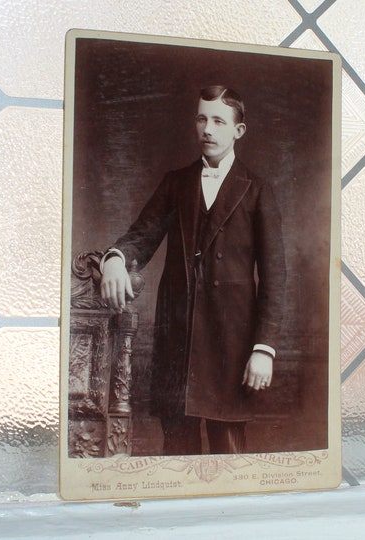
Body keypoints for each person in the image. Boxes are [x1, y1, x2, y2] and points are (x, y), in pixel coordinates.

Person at [100, 85, 286, 455]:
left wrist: (264, 349)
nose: (208, 129)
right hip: (178, 345)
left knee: (228, 458)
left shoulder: (258, 191)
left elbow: (275, 278)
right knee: (177, 455)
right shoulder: (176, 183)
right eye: (202, 118)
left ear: (238, 130)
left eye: (219, 120)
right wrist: (116, 259)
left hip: (230, 348)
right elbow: (141, 235)